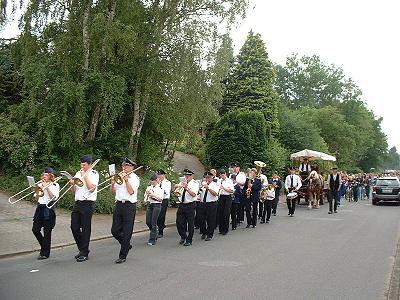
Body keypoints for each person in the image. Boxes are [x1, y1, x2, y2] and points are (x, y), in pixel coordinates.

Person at [110, 157, 140, 264]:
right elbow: (112, 191)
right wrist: (113, 182)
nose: (124, 168)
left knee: (127, 231)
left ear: (131, 167)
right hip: (119, 205)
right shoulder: (119, 176)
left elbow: (131, 192)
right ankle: (126, 244)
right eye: (123, 166)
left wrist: (126, 180)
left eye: (126, 166)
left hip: (129, 206)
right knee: (114, 230)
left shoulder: (135, 178)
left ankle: (123, 255)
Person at [70, 155, 99, 262]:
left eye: (84, 164)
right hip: (78, 203)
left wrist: (85, 176)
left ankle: (84, 252)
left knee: (86, 229)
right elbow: (73, 191)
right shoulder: (78, 173)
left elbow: (91, 189)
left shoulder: (94, 174)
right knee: (74, 227)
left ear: (89, 164)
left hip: (88, 203)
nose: (82, 166)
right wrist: (72, 184)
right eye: (81, 164)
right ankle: (83, 249)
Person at [32, 167, 60, 260]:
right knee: (35, 229)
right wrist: (37, 190)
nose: (44, 176)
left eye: (46, 175)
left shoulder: (55, 185)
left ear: (51, 176)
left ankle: (45, 253)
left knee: (47, 232)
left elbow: (54, 198)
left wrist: (47, 187)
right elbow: (36, 198)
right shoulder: (39, 184)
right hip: (40, 208)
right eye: (43, 174)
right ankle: (44, 246)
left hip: (49, 209)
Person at [175, 169, 199, 246]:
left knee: (190, 223)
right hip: (182, 204)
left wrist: (186, 188)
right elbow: (178, 193)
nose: (186, 177)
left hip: (190, 204)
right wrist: (176, 188)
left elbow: (194, 194)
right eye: (186, 176)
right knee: (179, 222)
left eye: (188, 176)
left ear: (192, 176)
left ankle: (189, 240)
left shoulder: (195, 183)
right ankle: (183, 236)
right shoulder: (182, 182)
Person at [198, 171, 219, 241]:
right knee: (201, 219)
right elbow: (200, 193)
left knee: (211, 219)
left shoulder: (215, 185)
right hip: (203, 203)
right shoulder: (203, 184)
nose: (207, 179)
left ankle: (210, 235)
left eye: (208, 178)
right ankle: (204, 232)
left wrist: (208, 188)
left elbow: (215, 194)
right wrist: (200, 189)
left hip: (211, 204)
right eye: (205, 177)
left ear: (212, 178)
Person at [144, 174, 164, 246]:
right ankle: (155, 231)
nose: (152, 182)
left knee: (153, 223)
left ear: (156, 181)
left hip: (157, 205)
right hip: (150, 205)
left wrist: (153, 195)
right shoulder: (149, 187)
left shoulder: (160, 189)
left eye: (153, 181)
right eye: (151, 180)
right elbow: (145, 196)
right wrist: (145, 199)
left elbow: (160, 199)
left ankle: (152, 239)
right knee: (148, 222)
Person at [217, 169, 234, 235]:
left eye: (223, 174)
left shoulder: (229, 181)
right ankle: (221, 229)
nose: (222, 176)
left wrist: (223, 188)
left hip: (227, 197)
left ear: (225, 174)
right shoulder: (219, 180)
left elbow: (231, 191)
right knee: (220, 213)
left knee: (226, 213)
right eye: (221, 175)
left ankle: (225, 229)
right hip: (221, 197)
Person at [156, 169, 171, 238]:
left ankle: (160, 231)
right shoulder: (156, 181)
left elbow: (166, 192)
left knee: (161, 215)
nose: (158, 176)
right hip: (156, 200)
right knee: (156, 216)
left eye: (160, 175)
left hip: (164, 200)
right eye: (158, 175)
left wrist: (159, 185)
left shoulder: (167, 182)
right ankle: (160, 227)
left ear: (163, 175)